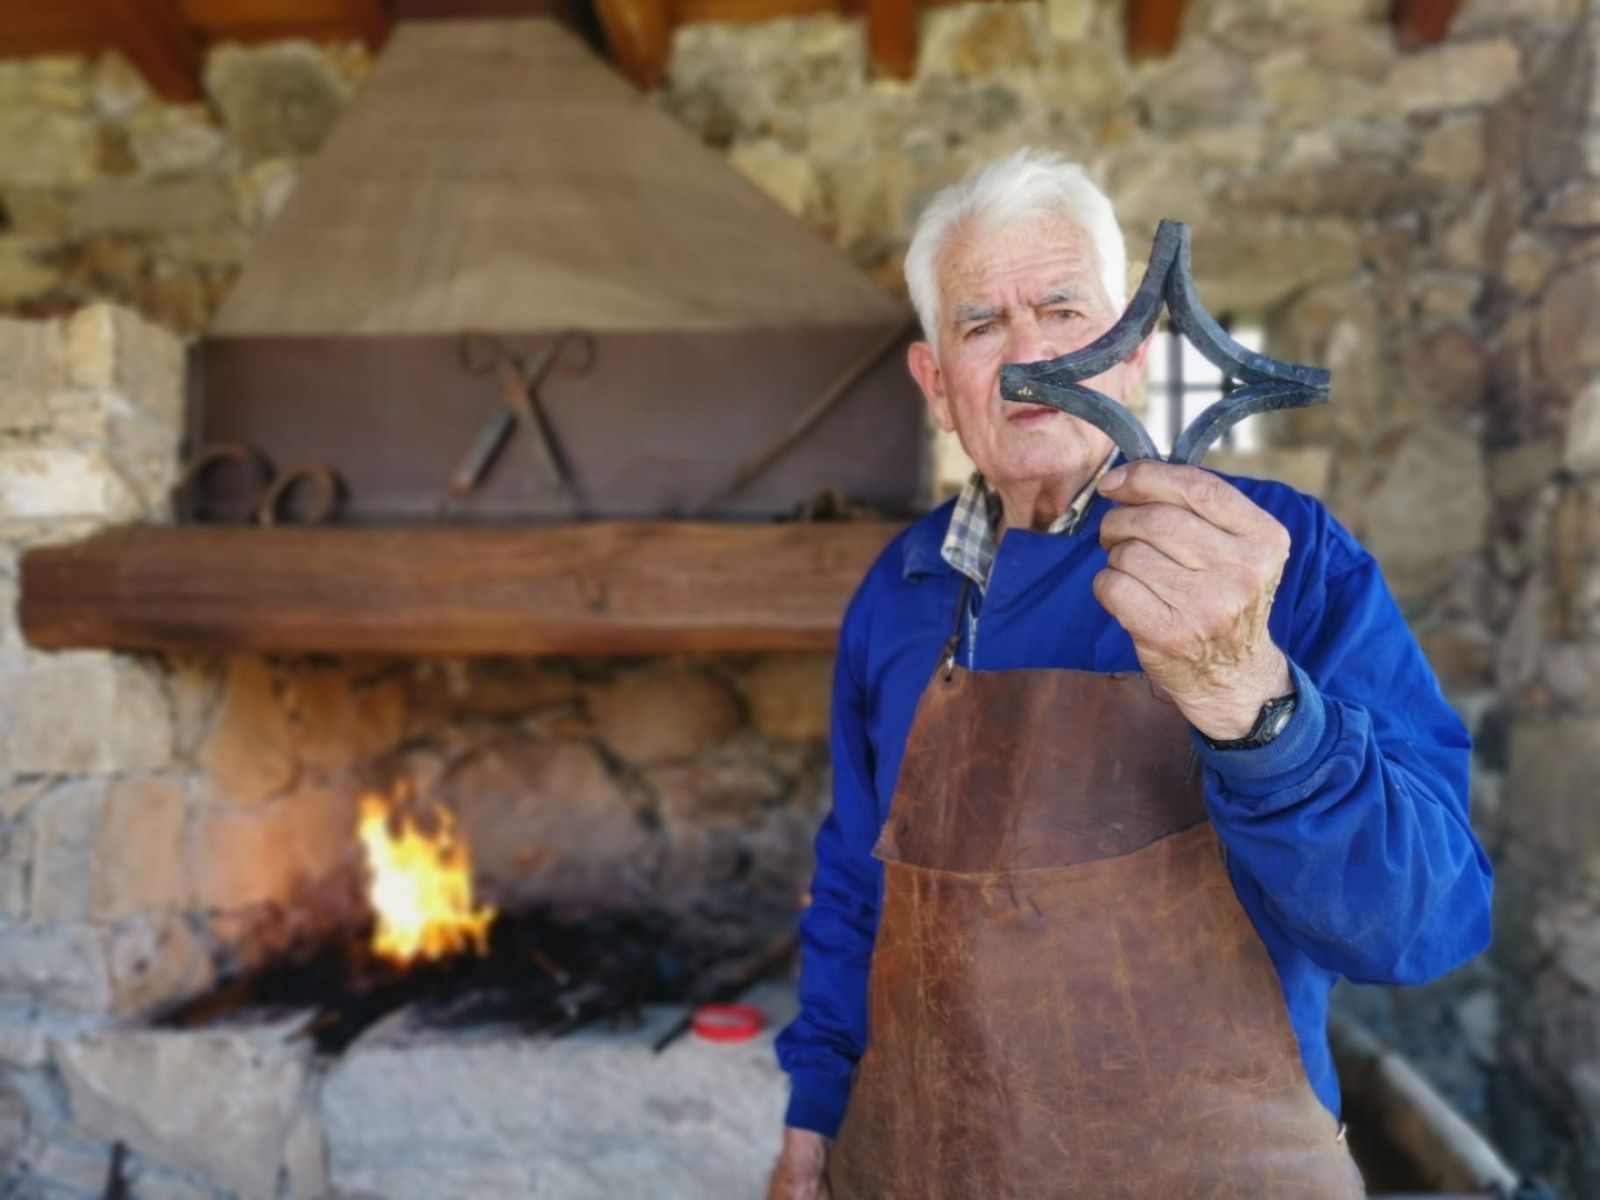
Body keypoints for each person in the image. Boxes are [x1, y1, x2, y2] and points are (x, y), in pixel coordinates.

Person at [765, 149, 1492, 1199]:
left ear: (1138, 350)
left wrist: (1258, 710)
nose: (1031, 355)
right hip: (931, 1164)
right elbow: (851, 881)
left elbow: (1426, 924)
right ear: (935, 383)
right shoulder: (900, 591)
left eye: (1066, 311)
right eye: (980, 324)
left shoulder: (1276, 556)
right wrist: (811, 1121)